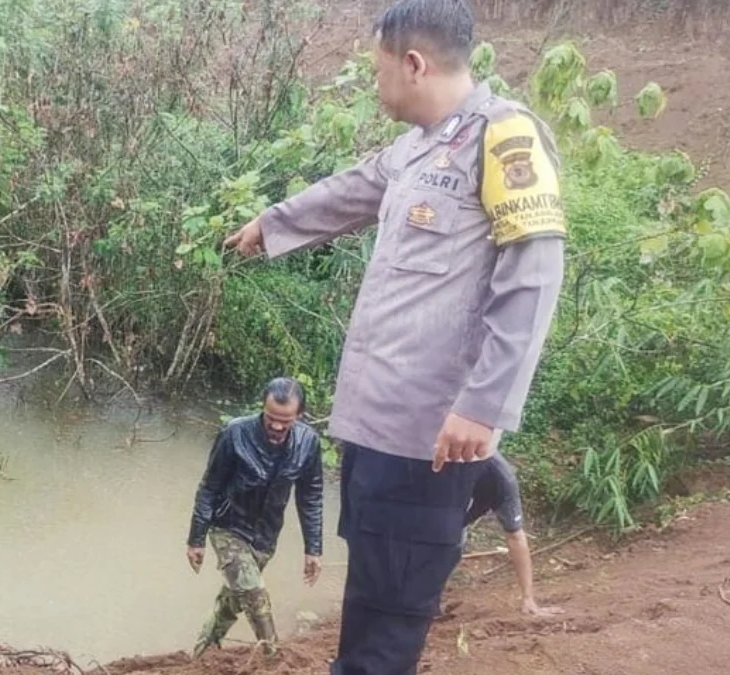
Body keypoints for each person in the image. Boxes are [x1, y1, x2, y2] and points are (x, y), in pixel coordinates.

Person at [222, 0, 568, 672]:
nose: (375, 81)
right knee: (373, 591)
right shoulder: (417, 146)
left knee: (390, 618)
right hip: (376, 427)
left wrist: (484, 403)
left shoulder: (504, 137)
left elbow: (533, 277)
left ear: (413, 64)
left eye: (378, 68)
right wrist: (273, 222)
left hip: (431, 438)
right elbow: (349, 191)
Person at [185, 376, 324, 659]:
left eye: (285, 421)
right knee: (253, 593)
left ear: (299, 415)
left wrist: (313, 549)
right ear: (262, 407)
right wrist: (196, 539)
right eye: (271, 417)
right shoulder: (235, 433)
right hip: (228, 527)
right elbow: (209, 487)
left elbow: (310, 497)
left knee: (235, 599)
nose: (276, 425)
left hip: (265, 536)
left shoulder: (308, 443)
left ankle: (202, 651)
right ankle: (273, 657)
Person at [463, 453, 563, 617]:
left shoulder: (501, 479)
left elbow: (515, 536)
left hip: (457, 518)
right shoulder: (428, 463)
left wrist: (528, 598)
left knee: (451, 546)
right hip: (430, 510)